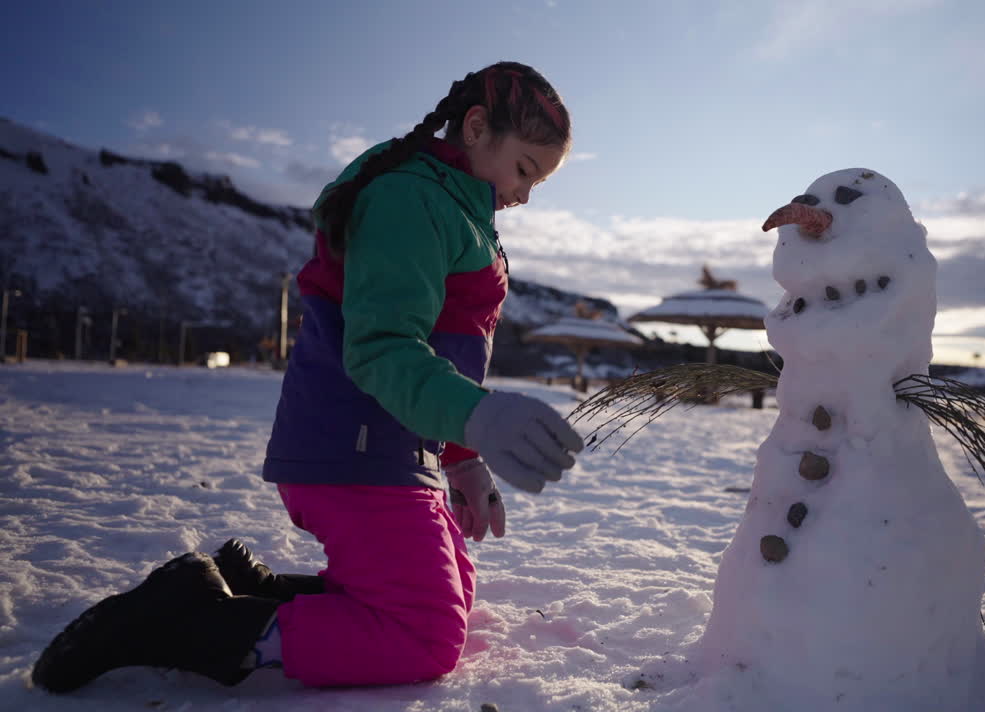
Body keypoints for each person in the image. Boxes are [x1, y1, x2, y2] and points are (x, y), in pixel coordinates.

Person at [32, 61, 584, 693]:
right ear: (478, 127)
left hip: (390, 451)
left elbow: (445, 352)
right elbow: (381, 350)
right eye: (524, 170)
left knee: (452, 581)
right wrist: (481, 417)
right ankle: (191, 627)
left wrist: (459, 459)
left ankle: (250, 591)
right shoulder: (410, 198)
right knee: (424, 632)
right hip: (351, 450)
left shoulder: (455, 208)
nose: (523, 194)